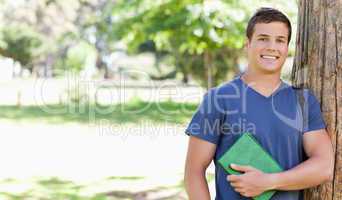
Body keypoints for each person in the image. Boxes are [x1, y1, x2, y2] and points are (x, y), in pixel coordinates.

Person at [184, 7, 334, 200]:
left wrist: (268, 182)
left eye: (280, 40)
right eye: (263, 38)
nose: (272, 47)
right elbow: (193, 172)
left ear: (286, 48)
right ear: (248, 44)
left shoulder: (303, 101)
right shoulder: (218, 99)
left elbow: (324, 167)